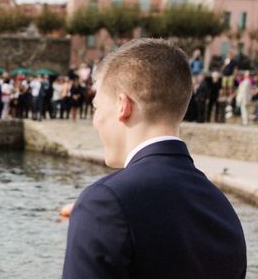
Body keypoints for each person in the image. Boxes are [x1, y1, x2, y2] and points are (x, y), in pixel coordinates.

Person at [62, 38, 246, 278]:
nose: (95, 122)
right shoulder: (222, 208)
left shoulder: (105, 202)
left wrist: (92, 217)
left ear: (122, 105)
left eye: (96, 108)